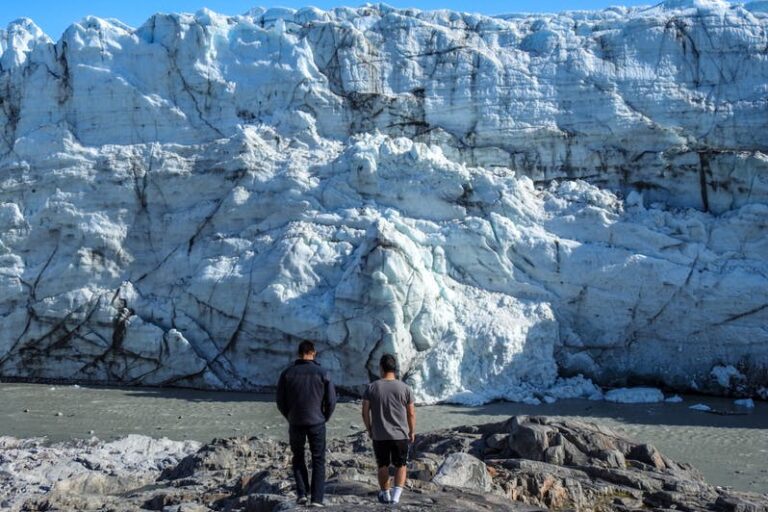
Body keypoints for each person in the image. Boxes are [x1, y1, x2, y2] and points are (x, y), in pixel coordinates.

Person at [276, 340, 336, 507]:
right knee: (318, 459)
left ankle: (302, 494)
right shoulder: (323, 373)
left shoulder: (287, 373)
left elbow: (280, 400)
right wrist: (325, 417)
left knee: (298, 457)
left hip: (295, 422)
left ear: (298, 353)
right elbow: (331, 400)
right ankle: (316, 499)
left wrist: (289, 416)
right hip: (317, 422)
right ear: (313, 353)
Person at [361, 353, 416, 505]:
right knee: (401, 465)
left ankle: (386, 495)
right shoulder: (405, 388)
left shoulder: (371, 388)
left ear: (381, 368)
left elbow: (365, 411)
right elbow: (411, 413)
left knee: (382, 465)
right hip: (400, 435)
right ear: (395, 369)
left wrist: (369, 429)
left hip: (379, 435)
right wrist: (411, 431)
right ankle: (396, 497)